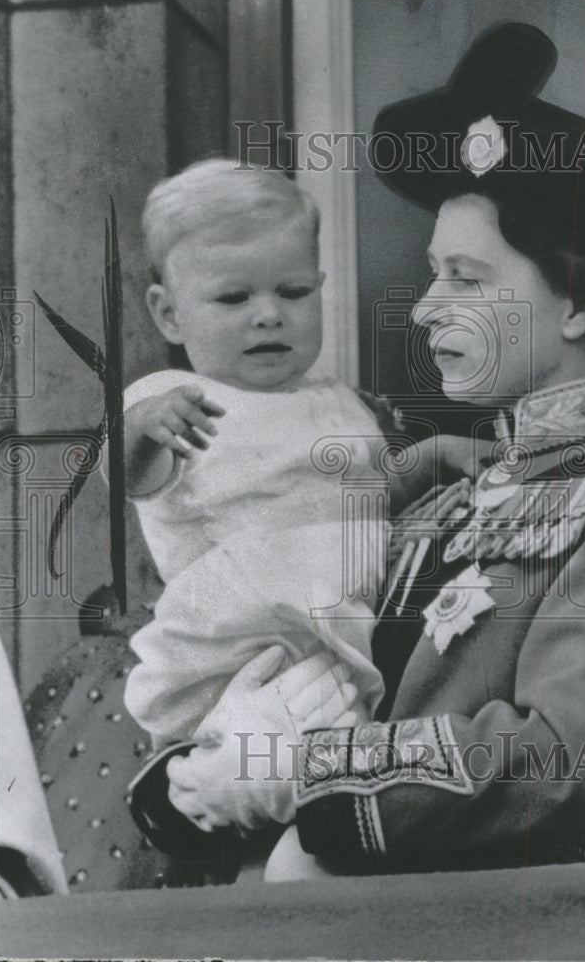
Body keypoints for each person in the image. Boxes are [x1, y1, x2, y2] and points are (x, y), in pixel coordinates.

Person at [136, 22, 585, 877]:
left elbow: (558, 763)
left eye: (463, 278)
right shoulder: (440, 487)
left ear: (579, 304)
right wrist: (199, 777)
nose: (423, 309)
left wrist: (298, 773)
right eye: (433, 275)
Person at [120, 159, 391, 749]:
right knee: (259, 775)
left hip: (345, 638)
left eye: (293, 291)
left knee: (339, 782)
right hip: (236, 653)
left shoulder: (341, 403)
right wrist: (143, 429)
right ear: (169, 314)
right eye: (234, 297)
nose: (269, 313)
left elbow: (378, 495)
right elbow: (125, 472)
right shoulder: (178, 403)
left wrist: (435, 458)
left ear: (319, 288)